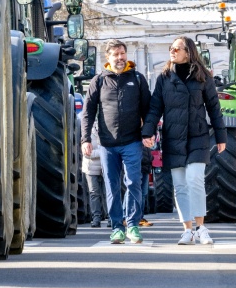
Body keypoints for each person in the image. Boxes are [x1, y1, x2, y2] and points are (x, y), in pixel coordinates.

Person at [142, 36, 227, 246]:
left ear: (188, 52)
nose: (172, 51)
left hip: (198, 137)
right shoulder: (164, 78)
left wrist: (220, 135)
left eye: (177, 49)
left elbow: (214, 107)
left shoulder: (202, 76)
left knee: (195, 179)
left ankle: (201, 228)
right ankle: (187, 230)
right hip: (173, 138)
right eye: (171, 48)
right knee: (180, 185)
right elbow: (155, 108)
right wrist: (147, 132)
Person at [82, 39, 151, 244]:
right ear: (108, 57)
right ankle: (117, 227)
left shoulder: (137, 79)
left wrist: (148, 133)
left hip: (132, 141)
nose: (120, 58)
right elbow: (88, 112)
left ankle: (133, 225)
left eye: (122, 53)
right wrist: (86, 139)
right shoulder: (99, 81)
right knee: (111, 186)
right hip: (107, 144)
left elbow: (148, 110)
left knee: (133, 183)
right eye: (116, 54)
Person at [81, 119, 106, 228]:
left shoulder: (106, 131)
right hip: (91, 168)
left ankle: (111, 217)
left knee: (108, 193)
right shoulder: (87, 134)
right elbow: (87, 153)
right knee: (94, 193)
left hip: (105, 167)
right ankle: (96, 218)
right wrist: (102, 152)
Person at [139, 145, 154, 227]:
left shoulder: (146, 142)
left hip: (146, 168)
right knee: (138, 193)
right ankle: (135, 217)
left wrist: (150, 158)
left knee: (143, 194)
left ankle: (140, 217)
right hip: (139, 168)